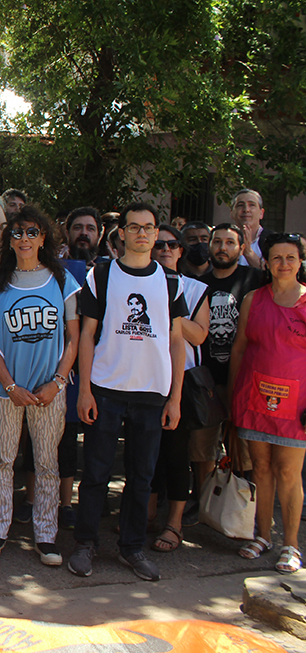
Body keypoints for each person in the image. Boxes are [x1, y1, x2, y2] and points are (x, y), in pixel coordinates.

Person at [69, 202, 187, 583]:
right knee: (96, 473)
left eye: (148, 227)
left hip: (152, 393)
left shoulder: (171, 282)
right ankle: (86, 542)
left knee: (142, 476)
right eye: (133, 227)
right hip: (106, 388)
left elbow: (176, 343)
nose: (140, 233)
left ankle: (132, 547)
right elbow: (87, 335)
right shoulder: (101, 275)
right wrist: (84, 390)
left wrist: (176, 398)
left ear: (156, 234)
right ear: (121, 233)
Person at [0, 207, 80, 566]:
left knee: (47, 463)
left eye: (32, 232)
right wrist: (8, 385)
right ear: (9, 240)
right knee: (3, 460)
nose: (24, 239)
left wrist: (57, 382)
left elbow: (74, 338)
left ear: (44, 238)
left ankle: (46, 535)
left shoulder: (62, 279)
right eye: (18, 233)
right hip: (9, 388)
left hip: (48, 391)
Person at [230, 233, 306, 573]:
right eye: (277, 258)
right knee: (260, 469)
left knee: (288, 471)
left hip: (297, 405)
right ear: (268, 262)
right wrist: (234, 396)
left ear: (300, 261)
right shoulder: (252, 300)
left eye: (290, 258)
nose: (283, 264)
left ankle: (291, 543)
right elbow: (240, 349)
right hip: (255, 397)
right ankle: (263, 536)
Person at [148, 224, 209, 554]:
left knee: (176, 455)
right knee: (146, 453)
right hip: (145, 380)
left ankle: (174, 523)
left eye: (172, 245)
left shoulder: (196, 288)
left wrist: (168, 304)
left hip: (180, 383)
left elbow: (198, 335)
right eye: (159, 245)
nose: (165, 250)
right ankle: (147, 513)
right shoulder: (139, 282)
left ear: (181, 251)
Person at [192, 223, 263, 490]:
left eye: (230, 242)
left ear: (241, 248)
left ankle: (245, 506)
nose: (223, 248)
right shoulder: (198, 285)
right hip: (205, 381)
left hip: (245, 381)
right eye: (217, 242)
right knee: (202, 450)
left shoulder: (255, 280)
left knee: (245, 452)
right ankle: (204, 503)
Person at [231, 188, 266, 268]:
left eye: (252, 205)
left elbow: (272, 275)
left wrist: (248, 252)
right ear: (232, 213)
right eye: (240, 205)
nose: (246, 210)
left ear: (261, 213)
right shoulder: (224, 240)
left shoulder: (272, 241)